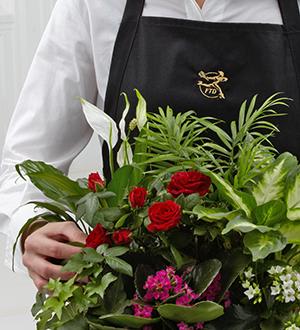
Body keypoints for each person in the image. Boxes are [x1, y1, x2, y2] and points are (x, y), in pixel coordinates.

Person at [1, 0, 300, 290]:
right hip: (141, 300)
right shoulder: (94, 4)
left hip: (284, 295)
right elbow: (26, 163)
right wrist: (31, 226)